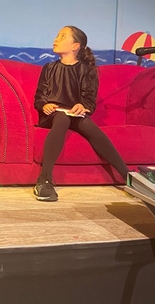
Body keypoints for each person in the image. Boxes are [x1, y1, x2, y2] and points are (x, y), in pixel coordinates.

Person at [33, 26, 129, 202]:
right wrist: (44, 105)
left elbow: (89, 101)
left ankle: (127, 175)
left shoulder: (87, 70)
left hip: (74, 115)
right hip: (52, 115)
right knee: (62, 117)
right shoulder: (49, 68)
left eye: (62, 36)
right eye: (57, 35)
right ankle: (44, 179)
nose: (56, 39)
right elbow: (39, 97)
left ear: (75, 46)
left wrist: (82, 106)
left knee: (86, 123)